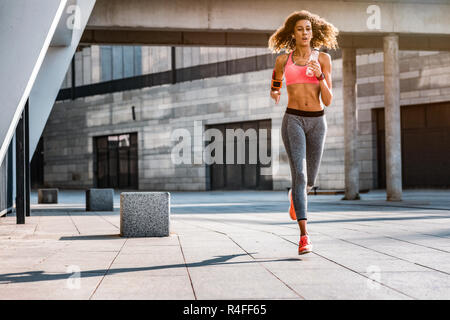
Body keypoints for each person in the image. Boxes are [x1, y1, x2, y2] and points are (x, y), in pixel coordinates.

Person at [268, 10, 338, 254]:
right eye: (300, 29)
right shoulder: (283, 61)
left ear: (313, 32)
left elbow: (328, 100)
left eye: (308, 28)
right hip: (293, 120)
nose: (305, 33)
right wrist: (275, 92)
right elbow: (275, 82)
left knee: (309, 180)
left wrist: (320, 75)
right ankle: (304, 236)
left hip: (318, 121)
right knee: (300, 173)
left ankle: (294, 197)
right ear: (293, 33)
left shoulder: (324, 59)